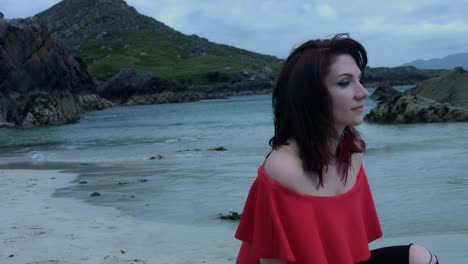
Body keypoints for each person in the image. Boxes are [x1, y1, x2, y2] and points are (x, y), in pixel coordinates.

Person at [234, 33, 439, 264]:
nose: (363, 92)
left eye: (359, 80)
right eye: (345, 82)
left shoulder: (353, 153)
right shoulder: (283, 171)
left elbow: (351, 250)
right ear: (310, 96)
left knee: (420, 258)